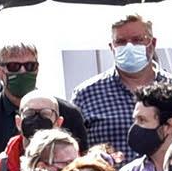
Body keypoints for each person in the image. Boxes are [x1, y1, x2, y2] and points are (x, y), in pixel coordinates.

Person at [67, 15, 159, 149]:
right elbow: (72, 150)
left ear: (153, 43)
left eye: (137, 40)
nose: (129, 47)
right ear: (112, 47)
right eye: (121, 41)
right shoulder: (86, 94)